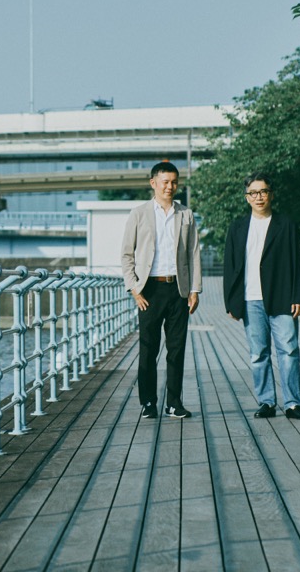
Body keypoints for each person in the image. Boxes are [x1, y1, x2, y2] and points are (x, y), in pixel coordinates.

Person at [222, 172, 300, 420]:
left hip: (282, 297)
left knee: (289, 351)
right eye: (253, 193)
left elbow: (298, 263)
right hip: (250, 299)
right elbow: (230, 266)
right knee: (258, 354)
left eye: (263, 192)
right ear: (246, 197)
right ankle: (266, 402)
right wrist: (231, 301)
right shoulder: (238, 228)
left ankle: (292, 404)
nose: (258, 197)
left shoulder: (286, 225)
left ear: (271, 194)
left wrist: (298, 296)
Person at [120, 161, 202, 419]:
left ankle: (174, 403)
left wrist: (195, 290)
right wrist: (134, 288)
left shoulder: (186, 214)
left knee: (176, 349)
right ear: (153, 183)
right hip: (149, 291)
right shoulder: (139, 213)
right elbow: (126, 254)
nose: (170, 186)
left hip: (178, 289)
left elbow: (193, 254)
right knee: (148, 348)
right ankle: (148, 402)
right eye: (165, 182)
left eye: (174, 182)